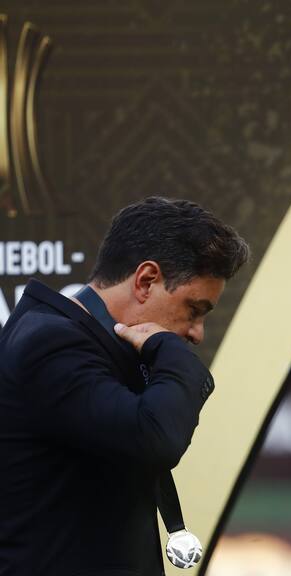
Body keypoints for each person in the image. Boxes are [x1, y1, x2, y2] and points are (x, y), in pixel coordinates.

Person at [0, 197, 250, 575]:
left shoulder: (74, 342)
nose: (196, 333)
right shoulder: (52, 345)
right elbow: (156, 438)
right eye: (194, 309)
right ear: (146, 280)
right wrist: (168, 349)